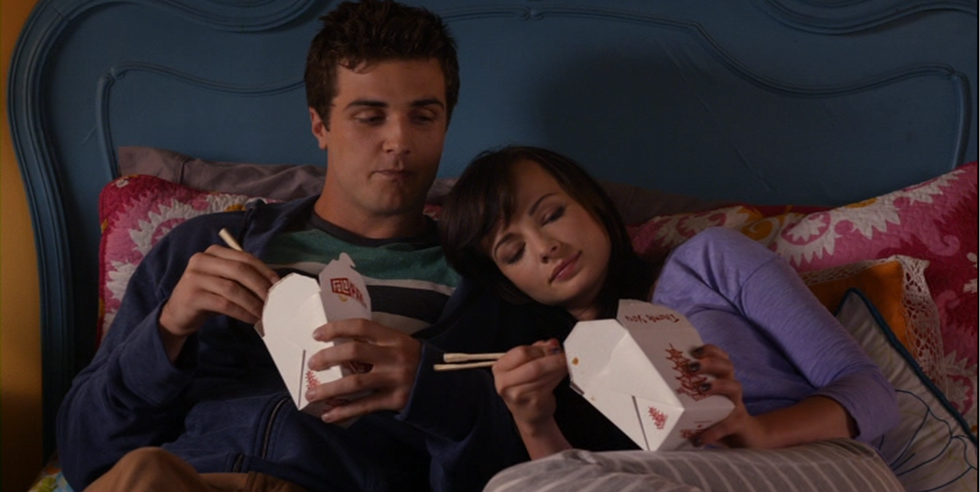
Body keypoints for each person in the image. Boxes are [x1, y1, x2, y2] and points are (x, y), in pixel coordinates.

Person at [56, 2, 534, 491]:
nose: (399, 141)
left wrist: (430, 389)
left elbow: (524, 470)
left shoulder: (484, 285)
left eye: (423, 117)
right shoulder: (203, 248)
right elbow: (83, 452)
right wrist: (168, 331)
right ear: (320, 125)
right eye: (370, 117)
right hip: (183, 478)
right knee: (145, 474)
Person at [438, 145, 901, 461]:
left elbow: (874, 395)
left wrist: (755, 432)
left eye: (552, 214)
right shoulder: (559, 367)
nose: (544, 247)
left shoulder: (710, 261)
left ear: (592, 205)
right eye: (514, 252)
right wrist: (535, 422)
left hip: (815, 464)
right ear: (507, 283)